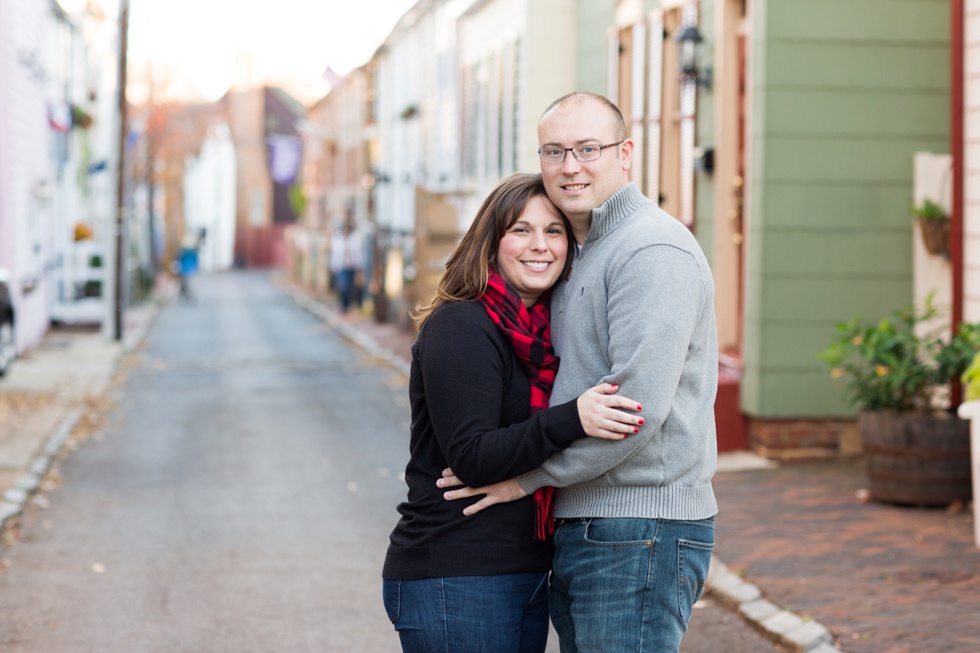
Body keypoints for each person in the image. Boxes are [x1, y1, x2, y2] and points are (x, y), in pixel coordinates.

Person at [441, 92, 719, 652]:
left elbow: (636, 410)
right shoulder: (586, 248)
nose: (570, 166)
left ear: (625, 153)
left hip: (638, 526)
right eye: (555, 151)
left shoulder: (651, 250)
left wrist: (526, 479)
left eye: (588, 148)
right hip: (593, 525)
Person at [382, 172, 643, 653]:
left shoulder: (542, 334)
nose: (539, 245)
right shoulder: (462, 324)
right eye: (520, 230)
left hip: (520, 572)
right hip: (455, 572)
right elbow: (473, 456)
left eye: (554, 231)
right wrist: (574, 418)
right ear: (491, 242)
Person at [330, 215, 365, 313]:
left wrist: (359, 266)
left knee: (350, 286)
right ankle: (343, 304)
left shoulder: (354, 240)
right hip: (342, 267)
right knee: (342, 286)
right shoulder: (338, 240)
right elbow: (335, 254)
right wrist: (333, 266)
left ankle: (348, 305)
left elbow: (358, 253)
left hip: (351, 267)